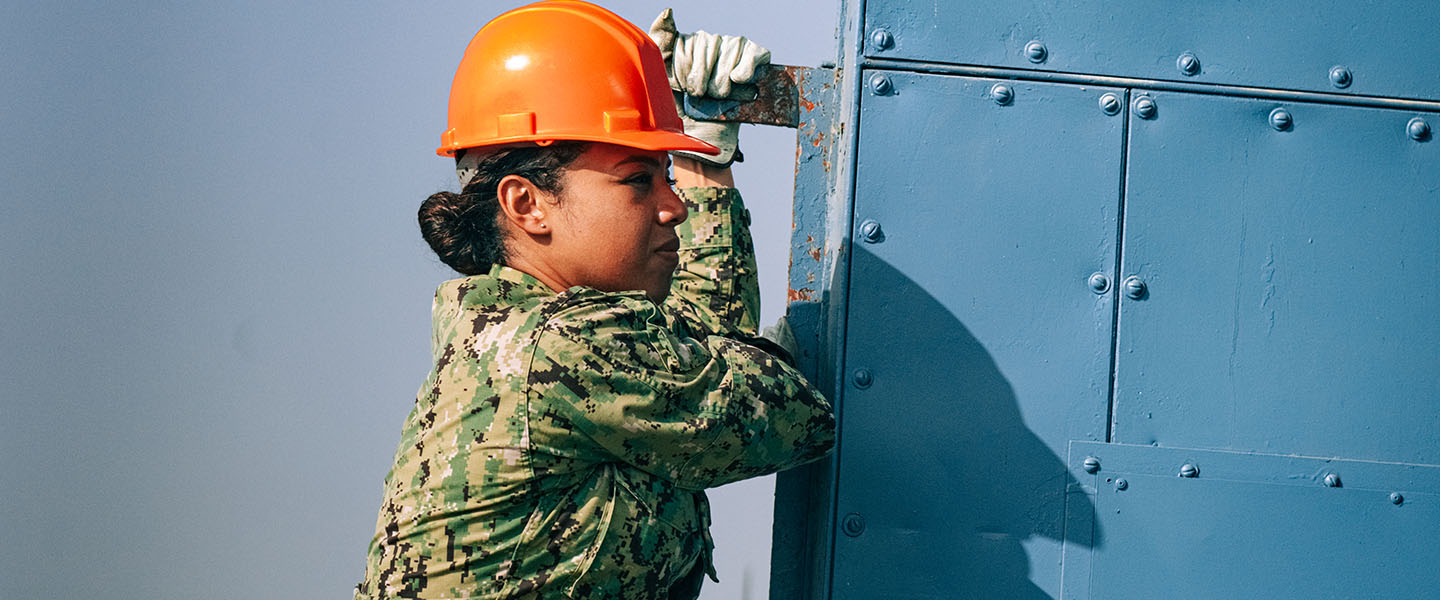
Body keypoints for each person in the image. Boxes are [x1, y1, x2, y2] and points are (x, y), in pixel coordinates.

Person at [354, 2, 835, 598]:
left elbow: (691, 346)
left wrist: (701, 155)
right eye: (638, 179)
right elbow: (792, 416)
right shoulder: (562, 348)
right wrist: (771, 368)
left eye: (668, 176)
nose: (674, 206)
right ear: (528, 204)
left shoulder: (515, 335)